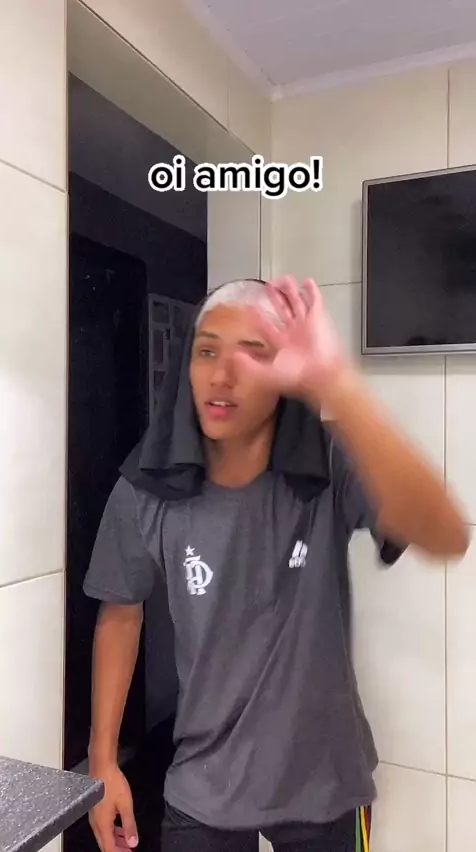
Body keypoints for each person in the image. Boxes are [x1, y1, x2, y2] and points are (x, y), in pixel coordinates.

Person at [83, 276, 469, 852]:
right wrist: (103, 761)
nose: (222, 374)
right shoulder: (146, 486)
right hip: (204, 783)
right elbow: (121, 611)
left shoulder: (330, 461)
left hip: (326, 781)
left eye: (253, 352)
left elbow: (446, 534)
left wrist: (336, 383)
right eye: (207, 351)